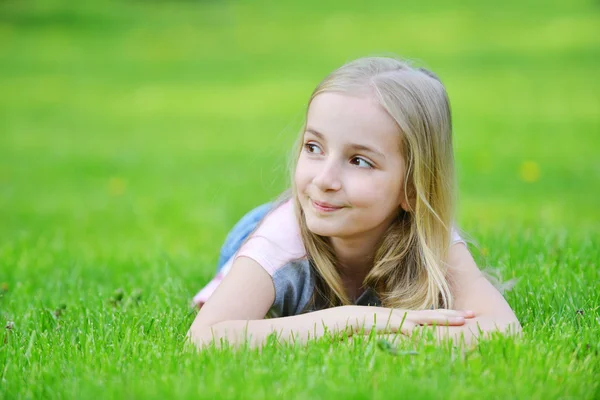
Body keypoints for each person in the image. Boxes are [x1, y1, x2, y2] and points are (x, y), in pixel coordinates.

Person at [187, 56, 521, 349]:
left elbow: (503, 329)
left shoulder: (429, 235)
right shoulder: (279, 243)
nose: (324, 180)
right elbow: (205, 338)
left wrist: (386, 336)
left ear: (413, 189)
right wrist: (349, 320)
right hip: (268, 226)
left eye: (359, 161)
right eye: (314, 147)